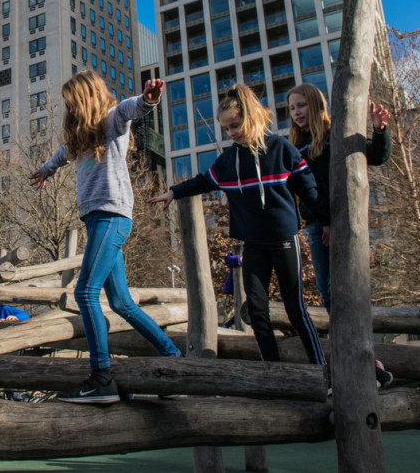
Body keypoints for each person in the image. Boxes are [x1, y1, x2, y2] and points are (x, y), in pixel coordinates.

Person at [149, 84, 328, 370]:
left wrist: (326, 222)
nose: (231, 132)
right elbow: (201, 181)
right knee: (257, 311)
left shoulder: (282, 149)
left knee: (296, 310)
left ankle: (321, 370)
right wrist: (173, 191)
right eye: (226, 128)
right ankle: (274, 372)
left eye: (235, 125)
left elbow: (309, 190)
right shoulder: (228, 162)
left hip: (284, 241)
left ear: (252, 116)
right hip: (253, 244)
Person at [30, 71, 182, 404]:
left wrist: (148, 99)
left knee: (85, 292)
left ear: (86, 98)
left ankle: (101, 377)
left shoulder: (113, 120)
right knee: (121, 302)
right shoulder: (81, 139)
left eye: (72, 102)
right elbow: (62, 154)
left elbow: (132, 109)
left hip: (112, 217)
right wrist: (44, 171)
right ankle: (174, 362)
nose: (69, 108)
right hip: (98, 221)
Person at [287, 83, 390, 312]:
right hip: (316, 222)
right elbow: (300, 190)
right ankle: (339, 336)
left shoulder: (336, 133)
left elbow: (375, 155)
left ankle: (352, 335)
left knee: (342, 284)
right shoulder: (295, 146)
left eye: (301, 105)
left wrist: (379, 130)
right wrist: (320, 222)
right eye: (292, 108)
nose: (297, 113)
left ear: (315, 105)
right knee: (325, 288)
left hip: (342, 218)